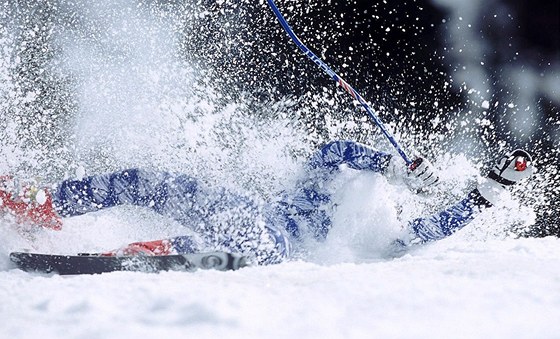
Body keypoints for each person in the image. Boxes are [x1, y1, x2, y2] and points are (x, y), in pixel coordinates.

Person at [0, 140, 533, 265]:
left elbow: (431, 228)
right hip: (249, 215)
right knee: (149, 179)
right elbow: (333, 150)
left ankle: (155, 254)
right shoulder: (328, 176)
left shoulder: (379, 231)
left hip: (272, 249)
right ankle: (46, 206)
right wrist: (389, 162)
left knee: (250, 242)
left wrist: (488, 193)